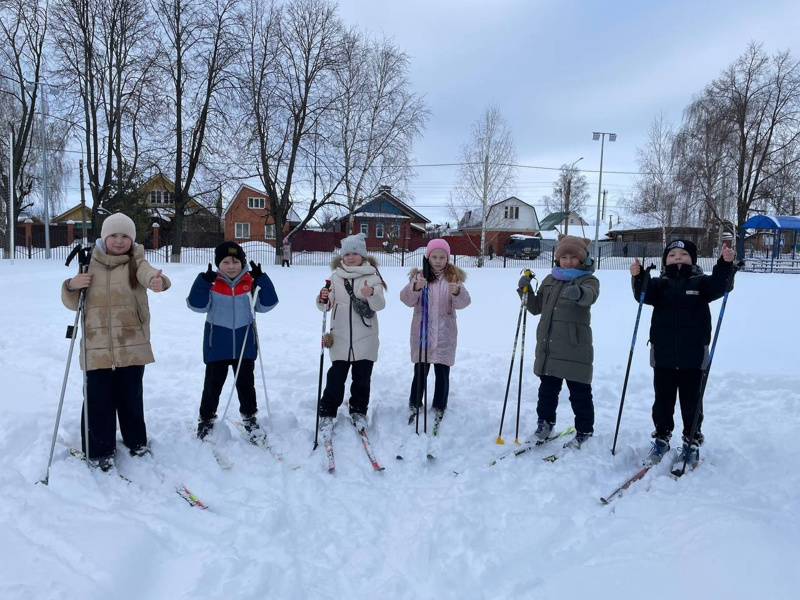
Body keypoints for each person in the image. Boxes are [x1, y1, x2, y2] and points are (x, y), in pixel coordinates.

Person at [61, 213, 170, 471]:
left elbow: (152, 276)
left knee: (131, 398)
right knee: (98, 400)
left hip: (131, 345)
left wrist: (159, 282)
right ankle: (99, 450)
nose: (119, 241)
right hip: (96, 348)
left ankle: (136, 442)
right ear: (104, 237)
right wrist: (72, 285)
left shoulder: (137, 262)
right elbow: (71, 304)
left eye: (125, 236)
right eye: (114, 236)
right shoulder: (88, 264)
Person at [631, 239, 735, 468]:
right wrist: (639, 277)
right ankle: (662, 437)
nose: (677, 257)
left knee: (692, 402)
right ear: (665, 260)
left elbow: (721, 285)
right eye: (672, 254)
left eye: (683, 254)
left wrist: (725, 265)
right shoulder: (659, 285)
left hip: (693, 357)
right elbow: (643, 295)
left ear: (693, 259)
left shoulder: (700, 283)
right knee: (662, 401)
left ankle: (692, 440)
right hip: (663, 356)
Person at [187, 241, 279, 442]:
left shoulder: (250, 283)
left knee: (246, 385)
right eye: (226, 261)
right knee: (213, 385)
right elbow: (196, 305)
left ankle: (249, 417)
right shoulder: (212, 284)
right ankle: (206, 419)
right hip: (217, 344)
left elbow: (268, 304)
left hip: (244, 344)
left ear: (243, 262)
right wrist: (202, 282)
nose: (231, 266)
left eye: (236, 261)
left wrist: (262, 280)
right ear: (218, 264)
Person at [517, 234, 600, 449]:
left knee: (579, 393)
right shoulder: (550, 280)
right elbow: (535, 308)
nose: (569, 260)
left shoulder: (588, 280)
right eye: (565, 256)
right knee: (547, 392)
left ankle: (584, 430)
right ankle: (544, 424)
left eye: (574, 257)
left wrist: (579, 293)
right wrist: (524, 290)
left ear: (582, 259)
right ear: (557, 258)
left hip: (575, 347)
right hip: (549, 346)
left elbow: (590, 295)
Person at [316, 233, 386, 436]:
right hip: (340, 336)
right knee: (336, 378)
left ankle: (358, 410)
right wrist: (323, 298)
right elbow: (326, 305)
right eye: (347, 253)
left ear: (362, 255)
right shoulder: (335, 277)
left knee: (362, 378)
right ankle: (327, 412)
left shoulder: (372, 276)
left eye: (355, 253)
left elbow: (380, 305)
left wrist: (371, 294)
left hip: (366, 336)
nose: (350, 257)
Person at [400, 239, 471, 430]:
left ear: (447, 258)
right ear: (428, 257)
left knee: (442, 372)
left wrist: (457, 292)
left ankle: (440, 405)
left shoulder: (453, 278)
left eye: (442, 257)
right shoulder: (419, 276)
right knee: (420, 371)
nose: (438, 261)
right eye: (434, 257)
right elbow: (406, 299)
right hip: (422, 332)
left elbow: (464, 303)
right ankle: (415, 402)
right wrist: (415, 287)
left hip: (444, 334)